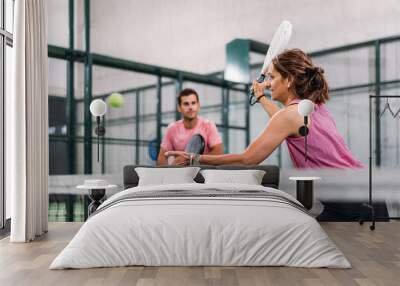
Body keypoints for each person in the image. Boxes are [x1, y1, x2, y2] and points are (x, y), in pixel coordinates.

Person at [165, 49, 363, 169]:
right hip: (362, 191)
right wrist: (260, 96)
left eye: (272, 77)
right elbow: (282, 119)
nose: (269, 83)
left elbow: (247, 159)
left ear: (289, 80)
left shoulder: (289, 116)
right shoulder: (313, 107)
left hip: (350, 202)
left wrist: (194, 158)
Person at [157, 88, 224, 165]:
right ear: (179, 107)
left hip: (205, 173)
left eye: (193, 103)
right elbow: (162, 156)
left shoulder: (208, 125)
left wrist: (191, 160)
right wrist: (168, 172)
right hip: (181, 173)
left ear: (198, 105)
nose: (190, 107)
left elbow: (219, 152)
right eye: (186, 104)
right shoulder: (172, 128)